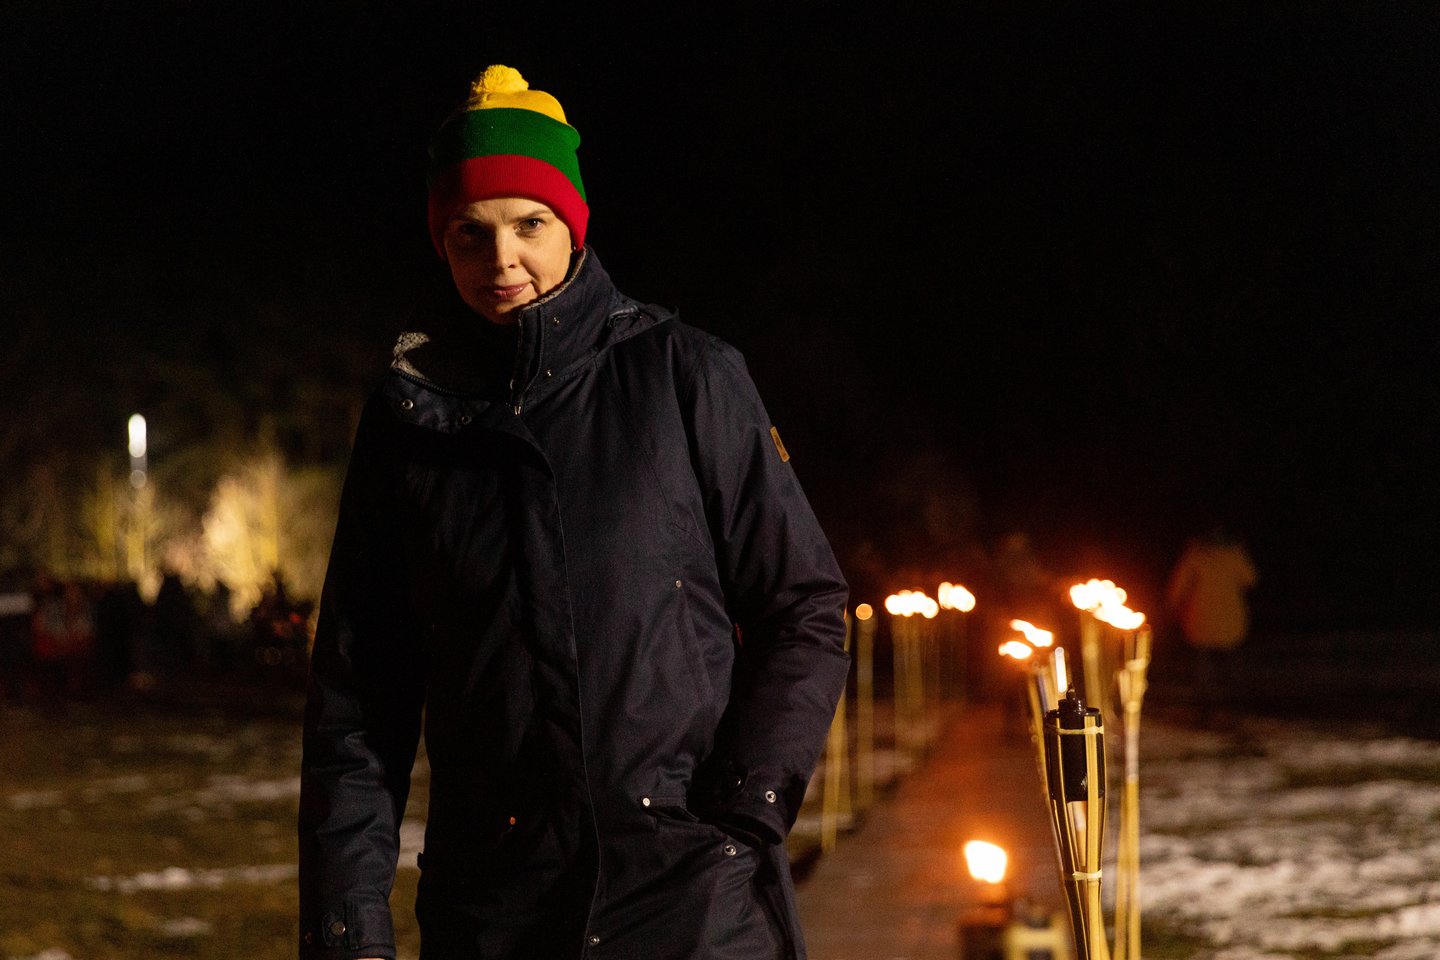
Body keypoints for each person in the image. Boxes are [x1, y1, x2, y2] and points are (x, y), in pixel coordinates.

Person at [298, 65, 850, 960]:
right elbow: (360, 698)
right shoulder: (408, 421)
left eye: (530, 224)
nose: (501, 259)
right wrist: (346, 929)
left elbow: (804, 604)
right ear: (441, 242)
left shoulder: (685, 377)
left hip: (691, 906)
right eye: (470, 232)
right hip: (495, 914)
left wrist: (745, 809)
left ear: (573, 225)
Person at [1165, 525, 1257, 713]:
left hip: (1209, 613)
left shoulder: (1197, 555)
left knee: (1209, 655)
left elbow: (1178, 586)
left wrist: (1173, 604)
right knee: (1220, 654)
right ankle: (1230, 692)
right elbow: (1250, 579)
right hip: (1220, 613)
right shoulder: (1226, 555)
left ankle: (1210, 693)